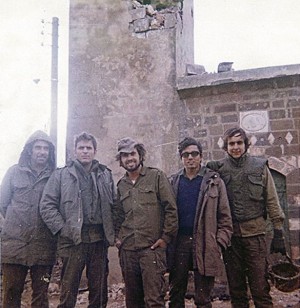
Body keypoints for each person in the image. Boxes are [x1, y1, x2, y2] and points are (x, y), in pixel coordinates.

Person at [207, 127, 286, 308]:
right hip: (231, 239)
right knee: (236, 290)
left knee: (260, 288)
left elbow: (272, 200)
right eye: (231, 143)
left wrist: (278, 232)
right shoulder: (219, 169)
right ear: (226, 147)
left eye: (239, 143)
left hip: (255, 236)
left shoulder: (259, 167)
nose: (236, 147)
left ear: (246, 144)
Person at [39, 132, 116, 308]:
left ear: (95, 151)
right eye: (81, 148)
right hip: (73, 240)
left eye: (89, 148)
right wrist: (63, 229)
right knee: (68, 290)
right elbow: (47, 205)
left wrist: (112, 232)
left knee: (99, 291)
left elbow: (115, 205)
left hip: (98, 240)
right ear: (75, 151)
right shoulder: (61, 175)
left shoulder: (105, 175)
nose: (85, 151)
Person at [168, 137, 233, 308]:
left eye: (194, 154)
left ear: (201, 156)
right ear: (181, 157)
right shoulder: (173, 182)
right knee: (176, 294)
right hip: (180, 243)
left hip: (205, 242)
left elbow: (225, 217)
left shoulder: (214, 182)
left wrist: (219, 243)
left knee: (203, 298)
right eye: (186, 154)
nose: (190, 158)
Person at [114, 137, 178, 308]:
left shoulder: (156, 177)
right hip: (128, 251)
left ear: (140, 155)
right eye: (124, 155)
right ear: (120, 160)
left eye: (133, 154)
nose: (129, 158)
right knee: (133, 301)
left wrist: (165, 238)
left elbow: (171, 209)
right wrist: (118, 239)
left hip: (151, 250)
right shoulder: (121, 185)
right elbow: (118, 216)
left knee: (154, 300)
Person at [0, 130, 56, 308]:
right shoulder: (13, 172)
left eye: (46, 148)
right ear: (29, 151)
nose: (41, 152)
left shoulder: (55, 176)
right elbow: (2, 204)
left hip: (43, 246)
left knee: (40, 295)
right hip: (15, 246)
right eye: (37, 147)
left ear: (50, 152)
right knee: (11, 293)